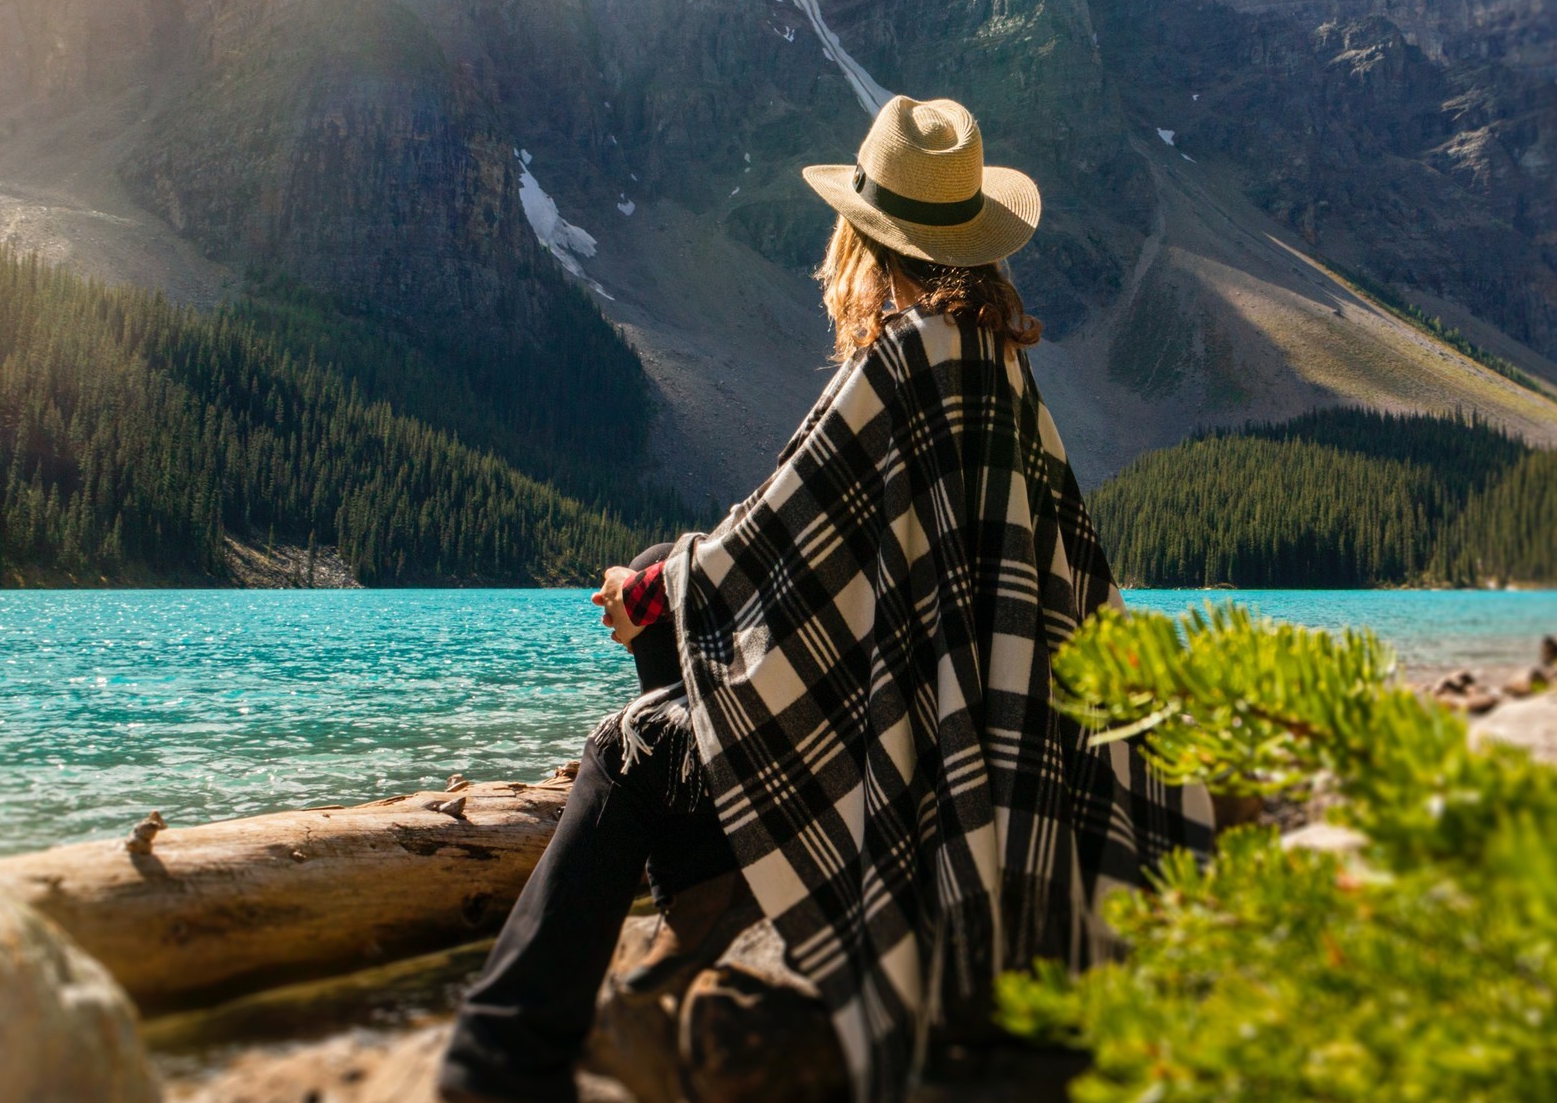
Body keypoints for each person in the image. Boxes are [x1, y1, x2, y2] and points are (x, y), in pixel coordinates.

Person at [439, 96, 1213, 1103]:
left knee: (624, 748)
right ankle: (702, 925)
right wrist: (670, 574)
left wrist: (648, 589)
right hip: (995, 753)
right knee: (669, 597)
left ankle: (497, 1067)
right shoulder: (1001, 374)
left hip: (912, 769)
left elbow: (763, 542)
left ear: (864, 237)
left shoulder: (901, 361)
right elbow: (826, 560)